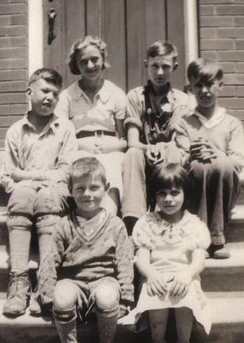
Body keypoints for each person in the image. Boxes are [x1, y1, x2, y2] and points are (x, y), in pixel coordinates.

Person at [1, 68, 77, 317]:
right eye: (45, 91)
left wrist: (31, 178)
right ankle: (19, 280)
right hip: (26, 195)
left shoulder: (65, 128)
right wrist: (29, 183)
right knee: (22, 193)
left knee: (44, 194)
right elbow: (8, 175)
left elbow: (66, 171)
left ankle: (45, 283)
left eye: (55, 94)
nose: (49, 97)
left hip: (54, 194)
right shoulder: (15, 130)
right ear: (29, 91)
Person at [38, 157, 134, 343]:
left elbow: (124, 261)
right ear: (70, 191)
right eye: (80, 188)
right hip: (73, 282)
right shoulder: (63, 225)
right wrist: (49, 296)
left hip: (105, 280)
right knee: (63, 297)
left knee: (106, 297)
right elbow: (50, 261)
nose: (87, 194)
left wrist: (126, 297)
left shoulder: (115, 225)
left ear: (106, 189)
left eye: (94, 187)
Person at [119, 163, 212, 342]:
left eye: (175, 192)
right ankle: (157, 338)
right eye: (162, 193)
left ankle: (183, 340)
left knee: (186, 295)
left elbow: (199, 261)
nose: (168, 199)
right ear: (154, 195)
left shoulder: (194, 225)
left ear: (185, 193)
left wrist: (187, 274)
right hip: (156, 276)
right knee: (155, 294)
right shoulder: (147, 223)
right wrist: (151, 274)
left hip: (184, 276)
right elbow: (142, 258)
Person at [175, 58, 244, 259]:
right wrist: (190, 155)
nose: (204, 91)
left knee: (223, 164)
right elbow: (180, 157)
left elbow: (238, 160)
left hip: (224, 183)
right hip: (196, 184)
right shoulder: (185, 123)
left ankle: (217, 236)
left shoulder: (231, 123)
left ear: (220, 85)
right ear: (191, 89)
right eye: (198, 85)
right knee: (198, 166)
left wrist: (217, 154)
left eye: (210, 84)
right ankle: (200, 239)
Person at [122, 40, 189, 235]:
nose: (160, 72)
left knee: (174, 151)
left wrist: (161, 148)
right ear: (146, 65)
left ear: (174, 67)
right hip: (144, 156)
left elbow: (177, 139)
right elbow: (133, 141)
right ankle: (133, 221)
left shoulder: (181, 99)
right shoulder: (136, 96)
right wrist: (148, 149)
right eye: (155, 66)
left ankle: (170, 217)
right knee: (132, 154)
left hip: (169, 156)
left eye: (166, 67)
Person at [56, 36, 127, 216]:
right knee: (82, 169)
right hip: (79, 147)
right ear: (76, 65)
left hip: (111, 148)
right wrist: (80, 145)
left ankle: (108, 221)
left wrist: (116, 145)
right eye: (83, 62)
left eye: (95, 59)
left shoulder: (116, 93)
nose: (90, 66)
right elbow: (60, 136)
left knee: (113, 167)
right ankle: (85, 220)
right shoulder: (67, 96)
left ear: (102, 59)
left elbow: (124, 137)